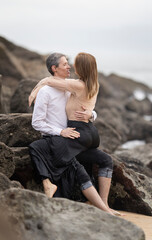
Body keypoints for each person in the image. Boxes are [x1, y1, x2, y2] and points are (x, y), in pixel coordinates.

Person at [28, 53, 117, 215]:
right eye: (65, 64)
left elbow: (84, 105)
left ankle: (104, 205)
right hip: (66, 137)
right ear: (54, 69)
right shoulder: (48, 92)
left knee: (100, 161)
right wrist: (61, 131)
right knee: (85, 165)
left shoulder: (71, 87)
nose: (69, 66)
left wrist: (91, 115)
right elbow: (37, 123)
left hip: (77, 135)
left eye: (70, 63)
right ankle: (103, 207)